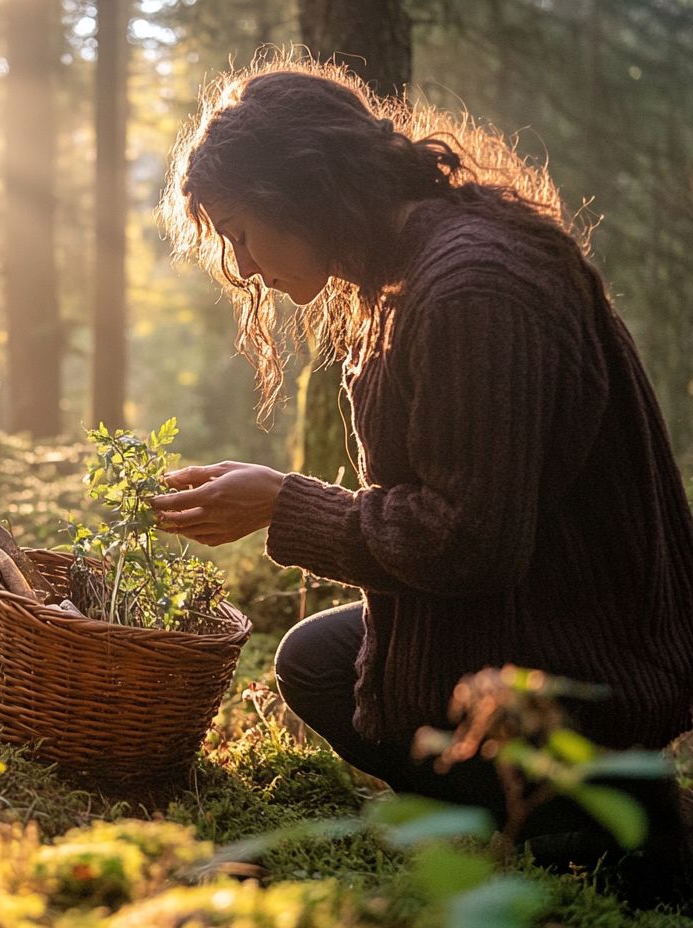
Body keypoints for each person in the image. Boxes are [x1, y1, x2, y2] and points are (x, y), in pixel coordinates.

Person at [150, 55, 693, 891]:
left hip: (582, 643)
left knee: (330, 672)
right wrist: (280, 499)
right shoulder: (412, 260)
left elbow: (471, 543)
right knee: (317, 661)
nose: (245, 264)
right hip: (534, 610)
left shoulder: (471, 289)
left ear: (302, 188)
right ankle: (551, 809)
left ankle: (594, 821)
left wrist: (281, 502)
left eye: (241, 231)